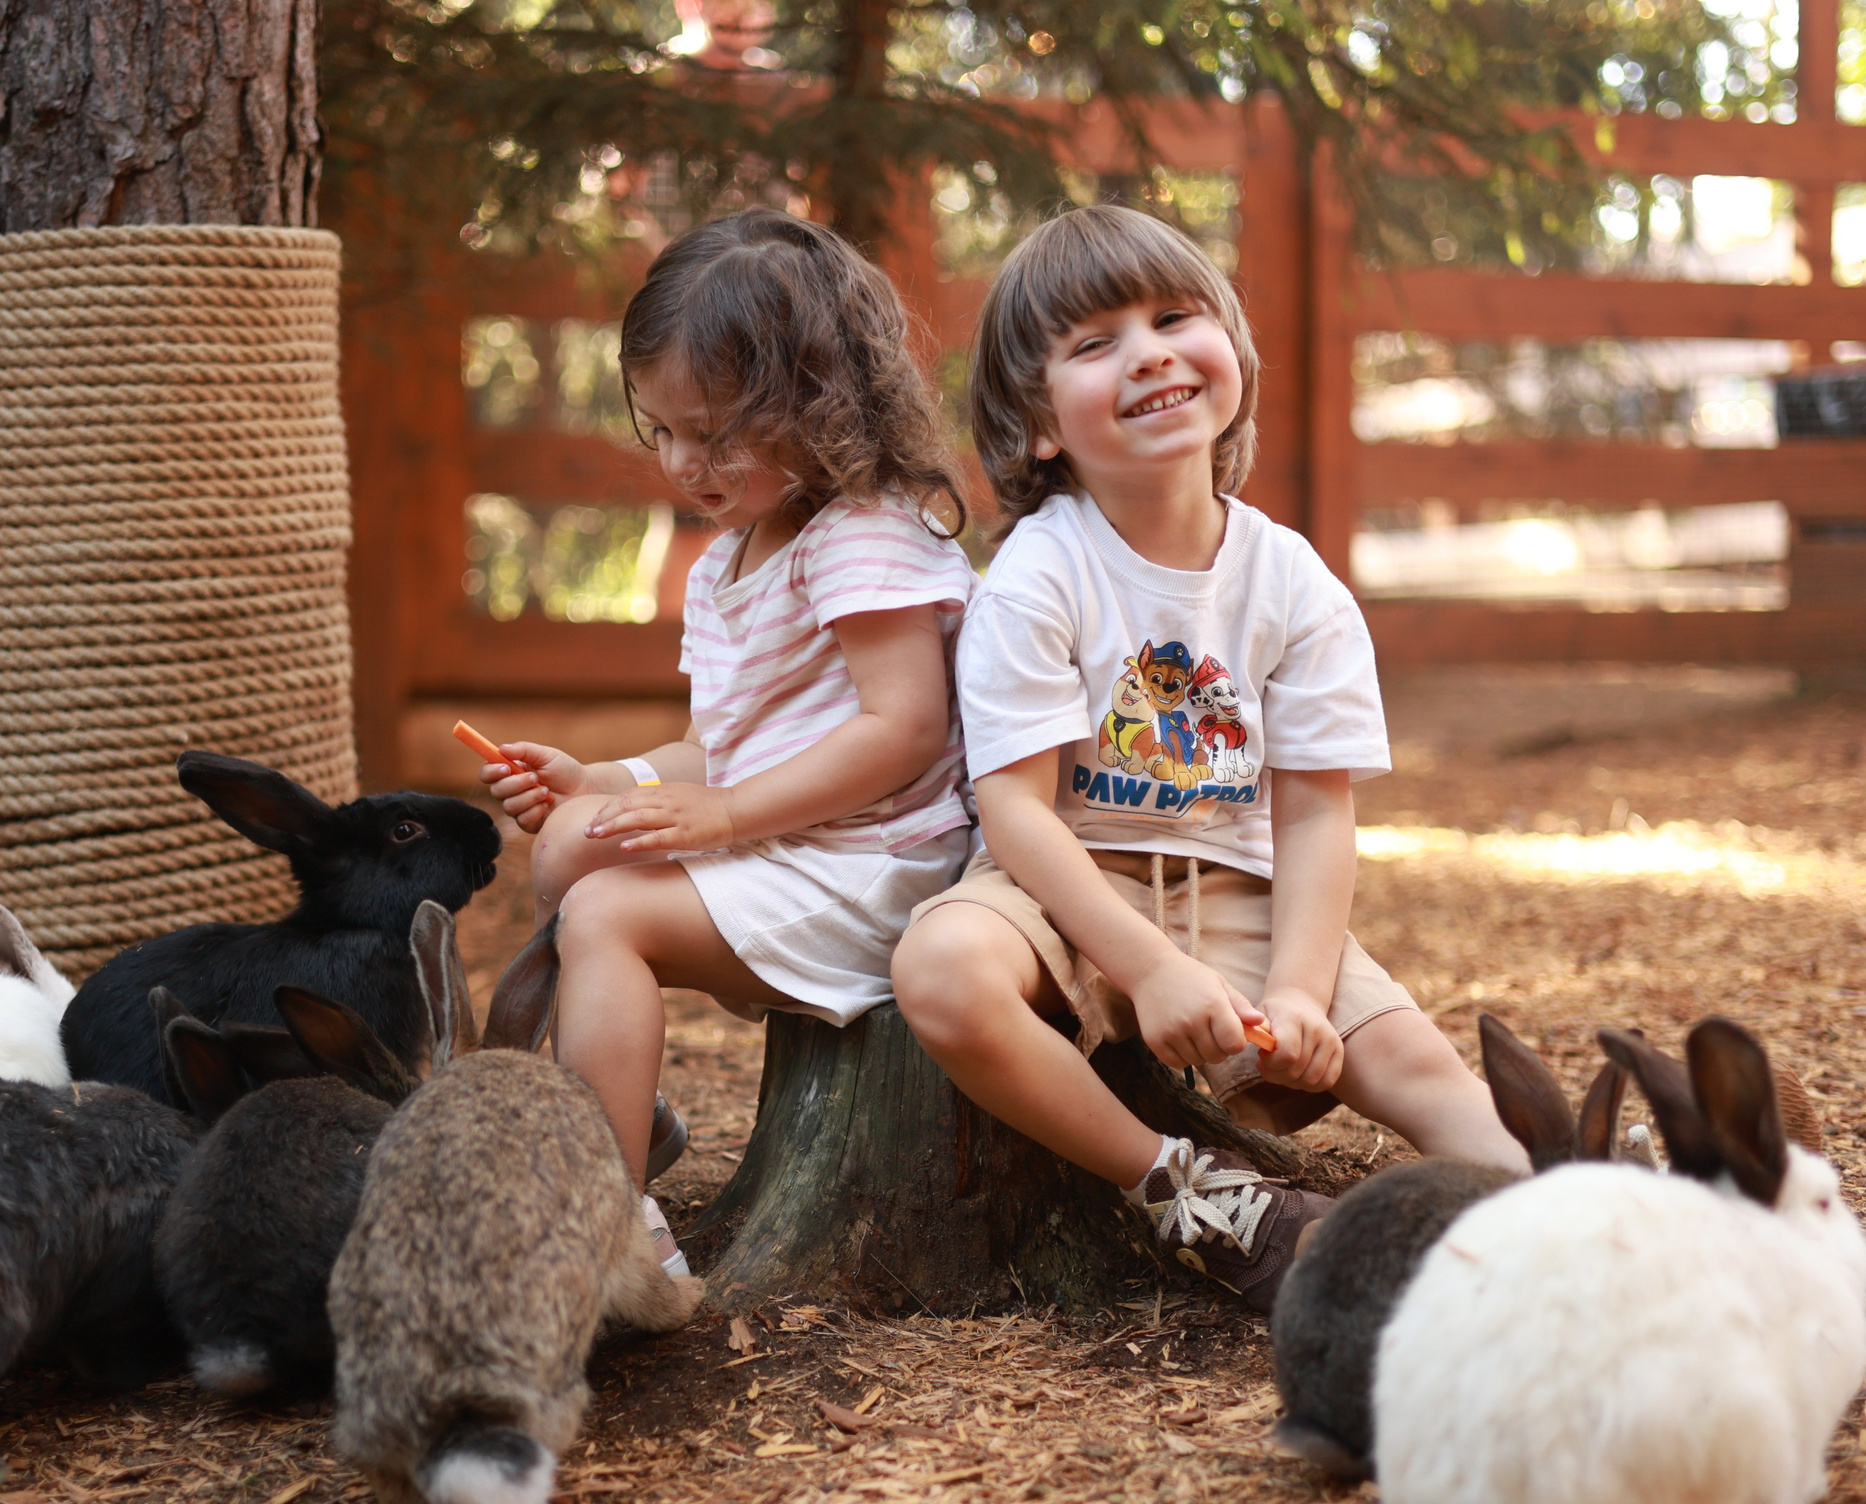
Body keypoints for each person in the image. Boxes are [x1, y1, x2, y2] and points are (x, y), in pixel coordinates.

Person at [890, 204, 1527, 1312]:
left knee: (1425, 1070)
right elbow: (1018, 813)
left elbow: (1316, 812)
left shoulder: (1292, 581)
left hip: (1237, 886)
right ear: (1039, 425)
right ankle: (1194, 1195)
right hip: (1066, 885)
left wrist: (1299, 990)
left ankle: (1568, 1224)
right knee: (941, 972)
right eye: (1095, 344)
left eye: (1175, 317)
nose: (1149, 353)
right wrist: (1147, 967)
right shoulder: (1039, 576)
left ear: (1228, 347)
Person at [478, 209, 979, 1277]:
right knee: (571, 845)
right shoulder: (726, 562)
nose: (682, 463)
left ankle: (607, 1229)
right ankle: (623, 1107)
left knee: (604, 912)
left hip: (882, 864)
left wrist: (730, 816)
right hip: (800, 846)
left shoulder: (863, 535)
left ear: (819, 400)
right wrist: (602, 777)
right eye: (660, 430)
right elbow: (721, 746)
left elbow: (905, 729)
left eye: (714, 435)